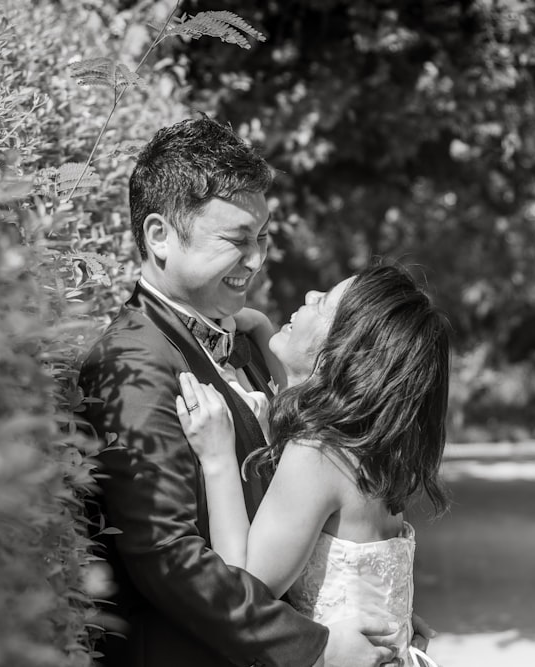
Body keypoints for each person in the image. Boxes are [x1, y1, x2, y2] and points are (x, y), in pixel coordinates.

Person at [77, 117, 402, 667]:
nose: (256, 260)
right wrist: (315, 650)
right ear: (159, 236)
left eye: (263, 238)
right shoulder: (131, 362)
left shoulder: (248, 343)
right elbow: (168, 556)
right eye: (236, 240)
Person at [176, 263, 450, 667]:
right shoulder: (372, 449)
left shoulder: (317, 454)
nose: (306, 298)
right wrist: (267, 331)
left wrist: (217, 458)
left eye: (321, 304)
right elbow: (308, 396)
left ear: (342, 355)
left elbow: (245, 586)